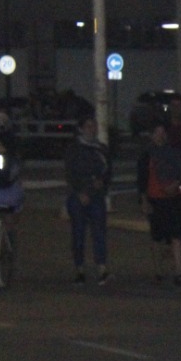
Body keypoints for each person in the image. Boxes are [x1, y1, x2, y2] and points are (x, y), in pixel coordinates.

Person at [141, 122, 181, 286]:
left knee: (177, 235)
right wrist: (143, 201)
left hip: (174, 198)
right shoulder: (146, 155)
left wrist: (175, 186)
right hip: (155, 200)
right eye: (157, 132)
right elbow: (141, 181)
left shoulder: (175, 153)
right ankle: (159, 271)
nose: (161, 135)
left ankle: (179, 272)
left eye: (163, 132)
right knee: (157, 237)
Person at [64, 117, 112, 284]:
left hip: (96, 196)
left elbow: (107, 173)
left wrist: (101, 184)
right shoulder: (74, 149)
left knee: (99, 232)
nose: (92, 129)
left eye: (94, 126)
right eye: (88, 126)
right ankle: (80, 269)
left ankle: (102, 268)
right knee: (78, 233)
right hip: (78, 197)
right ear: (81, 128)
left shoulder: (101, 149)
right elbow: (70, 173)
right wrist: (80, 192)